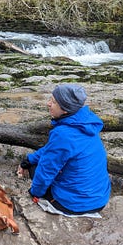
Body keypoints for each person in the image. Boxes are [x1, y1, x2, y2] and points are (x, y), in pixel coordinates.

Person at [17, 84, 111, 215]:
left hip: (75, 204)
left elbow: (46, 170)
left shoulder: (63, 134)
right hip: (100, 199)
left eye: (54, 102)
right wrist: (28, 159)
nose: (48, 103)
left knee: (35, 170)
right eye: (50, 99)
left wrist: (34, 193)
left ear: (65, 110)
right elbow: (52, 149)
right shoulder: (85, 122)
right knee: (37, 163)